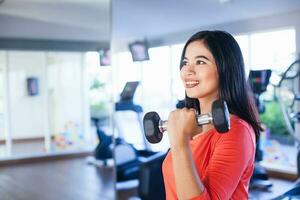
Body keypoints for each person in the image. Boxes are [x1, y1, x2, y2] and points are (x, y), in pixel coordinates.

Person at [162, 30, 263, 199]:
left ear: (225, 69)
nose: (188, 70)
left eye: (200, 62)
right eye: (185, 62)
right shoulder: (189, 125)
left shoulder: (237, 131)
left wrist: (180, 142)